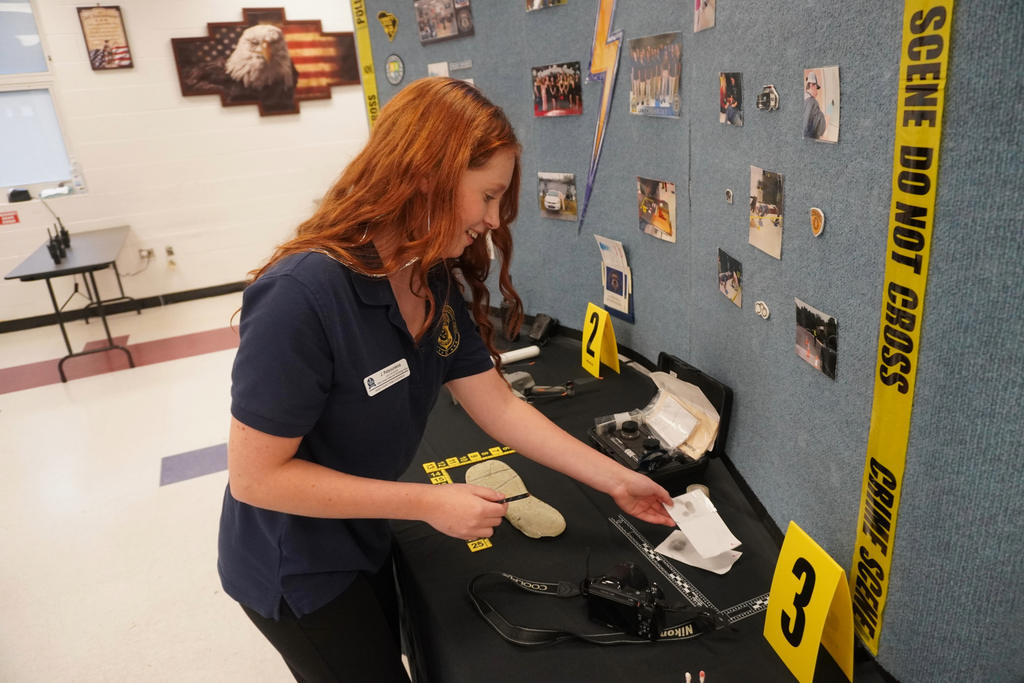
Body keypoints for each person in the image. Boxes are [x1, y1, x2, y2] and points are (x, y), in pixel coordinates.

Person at [218, 77, 676, 683]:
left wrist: (616, 479)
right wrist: (427, 502)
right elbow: (255, 478)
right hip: (297, 561)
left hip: (364, 531)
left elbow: (499, 407)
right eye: (487, 196)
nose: (493, 220)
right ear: (426, 175)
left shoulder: (428, 278)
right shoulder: (300, 296)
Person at [803, 71, 826, 139]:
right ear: (811, 85)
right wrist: (829, 111)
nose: (817, 93)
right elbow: (822, 129)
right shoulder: (813, 103)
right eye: (816, 89)